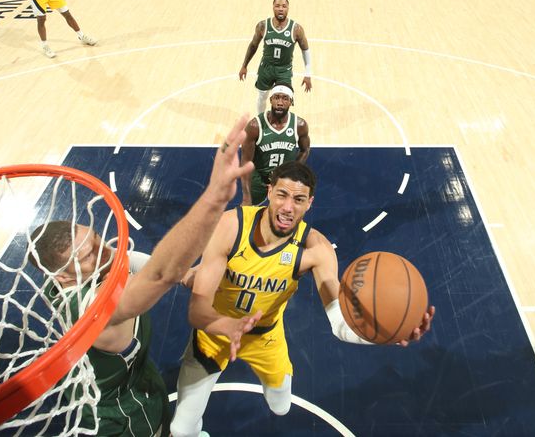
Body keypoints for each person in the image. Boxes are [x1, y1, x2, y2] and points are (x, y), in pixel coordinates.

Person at [27, 115, 259, 436]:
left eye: (95, 238)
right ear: (64, 280)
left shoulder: (79, 271)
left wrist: (188, 276)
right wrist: (215, 197)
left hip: (137, 378)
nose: (104, 251)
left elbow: (128, 260)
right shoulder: (88, 306)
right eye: (88, 255)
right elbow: (160, 274)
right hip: (123, 415)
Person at [170, 161, 435, 437]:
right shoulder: (230, 226)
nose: (288, 207)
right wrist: (226, 326)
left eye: (298, 199)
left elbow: (339, 325)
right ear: (270, 191)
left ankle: (179, 272)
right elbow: (197, 312)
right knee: (179, 430)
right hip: (214, 333)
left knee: (281, 407)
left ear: (309, 203)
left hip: (265, 338)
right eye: (282, 195)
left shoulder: (316, 250)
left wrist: (382, 334)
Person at [239, 0, 312, 114]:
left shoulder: (296, 29)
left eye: (284, 6)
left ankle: (281, 125)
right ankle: (261, 121)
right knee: (262, 96)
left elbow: (305, 50)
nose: (281, 9)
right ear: (273, 8)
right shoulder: (263, 26)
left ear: (288, 8)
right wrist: (244, 65)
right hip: (266, 68)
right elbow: (253, 45)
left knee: (285, 99)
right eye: (277, 6)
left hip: (284, 69)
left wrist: (308, 73)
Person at [240, 84, 310, 206]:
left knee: (283, 214)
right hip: (259, 179)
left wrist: (292, 170)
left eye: (285, 98)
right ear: (271, 99)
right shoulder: (255, 127)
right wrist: (246, 196)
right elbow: (246, 162)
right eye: (276, 97)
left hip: (284, 180)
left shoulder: (299, 125)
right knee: (250, 214)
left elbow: (305, 150)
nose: (280, 102)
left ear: (291, 102)